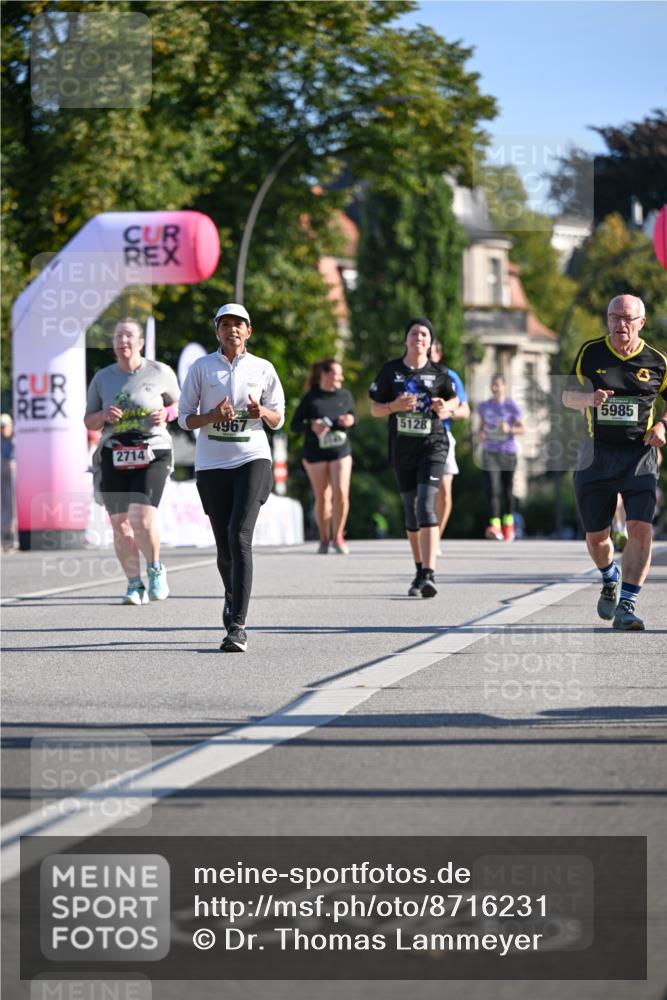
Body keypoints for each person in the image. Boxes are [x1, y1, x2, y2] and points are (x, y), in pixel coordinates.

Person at [178, 303, 285, 652]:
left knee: (240, 536)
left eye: (239, 325)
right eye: (225, 325)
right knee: (224, 546)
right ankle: (231, 593)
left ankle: (237, 624)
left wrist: (262, 412)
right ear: (217, 332)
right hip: (212, 464)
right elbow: (183, 419)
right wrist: (210, 416)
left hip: (253, 458)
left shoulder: (263, 368)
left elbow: (278, 418)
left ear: (249, 332)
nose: (232, 330)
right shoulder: (202, 367)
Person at [562, 293, 667, 631]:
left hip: (640, 456)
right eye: (613, 317)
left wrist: (663, 425)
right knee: (597, 538)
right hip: (596, 455)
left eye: (627, 318)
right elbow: (566, 395)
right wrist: (588, 398)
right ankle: (610, 578)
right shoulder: (590, 352)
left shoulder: (657, 362)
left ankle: (627, 604)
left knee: (640, 528)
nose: (620, 324)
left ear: (641, 322)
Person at [84, 318, 180, 604]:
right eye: (118, 336)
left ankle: (155, 568)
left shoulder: (160, 371)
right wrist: (102, 417)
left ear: (140, 343)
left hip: (153, 449)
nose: (123, 341)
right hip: (114, 451)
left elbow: (183, 405)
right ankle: (133, 584)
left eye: (129, 336)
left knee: (142, 517)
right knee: (120, 524)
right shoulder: (103, 378)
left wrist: (167, 414)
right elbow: (87, 419)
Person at [369, 317, 458, 598]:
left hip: (433, 446)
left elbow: (456, 402)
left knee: (425, 506)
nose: (418, 338)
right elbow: (374, 409)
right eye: (414, 333)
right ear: (406, 339)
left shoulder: (440, 373)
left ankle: (430, 573)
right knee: (410, 510)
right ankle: (419, 570)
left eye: (424, 334)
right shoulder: (390, 371)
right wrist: (394, 406)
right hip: (402, 448)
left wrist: (446, 405)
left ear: (430, 343)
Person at [291, 359, 355, 554]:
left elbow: (354, 417)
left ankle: (338, 537)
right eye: (337, 374)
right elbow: (295, 425)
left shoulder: (345, 395)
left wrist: (350, 419)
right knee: (323, 496)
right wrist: (312, 425)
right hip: (315, 452)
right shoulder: (311, 398)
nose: (341, 378)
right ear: (324, 375)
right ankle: (324, 537)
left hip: (340, 450)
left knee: (341, 492)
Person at [429, 339, 471, 542]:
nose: (428, 356)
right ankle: (422, 533)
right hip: (417, 439)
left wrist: (449, 410)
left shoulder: (449, 377)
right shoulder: (410, 376)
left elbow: (465, 410)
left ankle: (435, 537)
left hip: (443, 436)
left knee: (444, 490)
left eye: (432, 352)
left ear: (439, 355)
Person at [478, 374, 524, 541]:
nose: (495, 388)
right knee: (491, 487)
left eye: (498, 385)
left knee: (507, 490)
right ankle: (495, 525)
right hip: (490, 451)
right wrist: (481, 434)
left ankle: (509, 525)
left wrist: (509, 429)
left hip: (508, 452)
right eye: (493, 385)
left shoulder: (512, 406)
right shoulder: (484, 406)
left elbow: (522, 429)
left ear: (504, 386)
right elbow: (481, 427)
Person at [1, 413, 17, 550]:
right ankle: (4, 538)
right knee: (4, 504)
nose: (2, 430)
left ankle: (14, 539)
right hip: (2, 468)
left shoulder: (17, 438)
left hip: (14, 468)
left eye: (3, 426)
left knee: (13, 503)